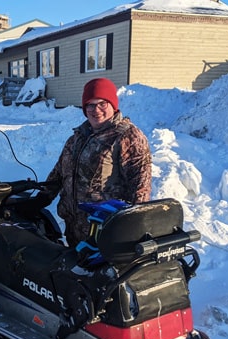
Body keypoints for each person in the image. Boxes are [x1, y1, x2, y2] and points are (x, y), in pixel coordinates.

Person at [43, 77, 152, 248]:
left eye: (102, 103)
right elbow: (58, 173)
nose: (96, 110)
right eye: (90, 105)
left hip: (105, 232)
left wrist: (132, 226)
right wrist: (41, 197)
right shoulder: (78, 137)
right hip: (74, 229)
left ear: (113, 105)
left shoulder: (127, 136)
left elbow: (140, 187)